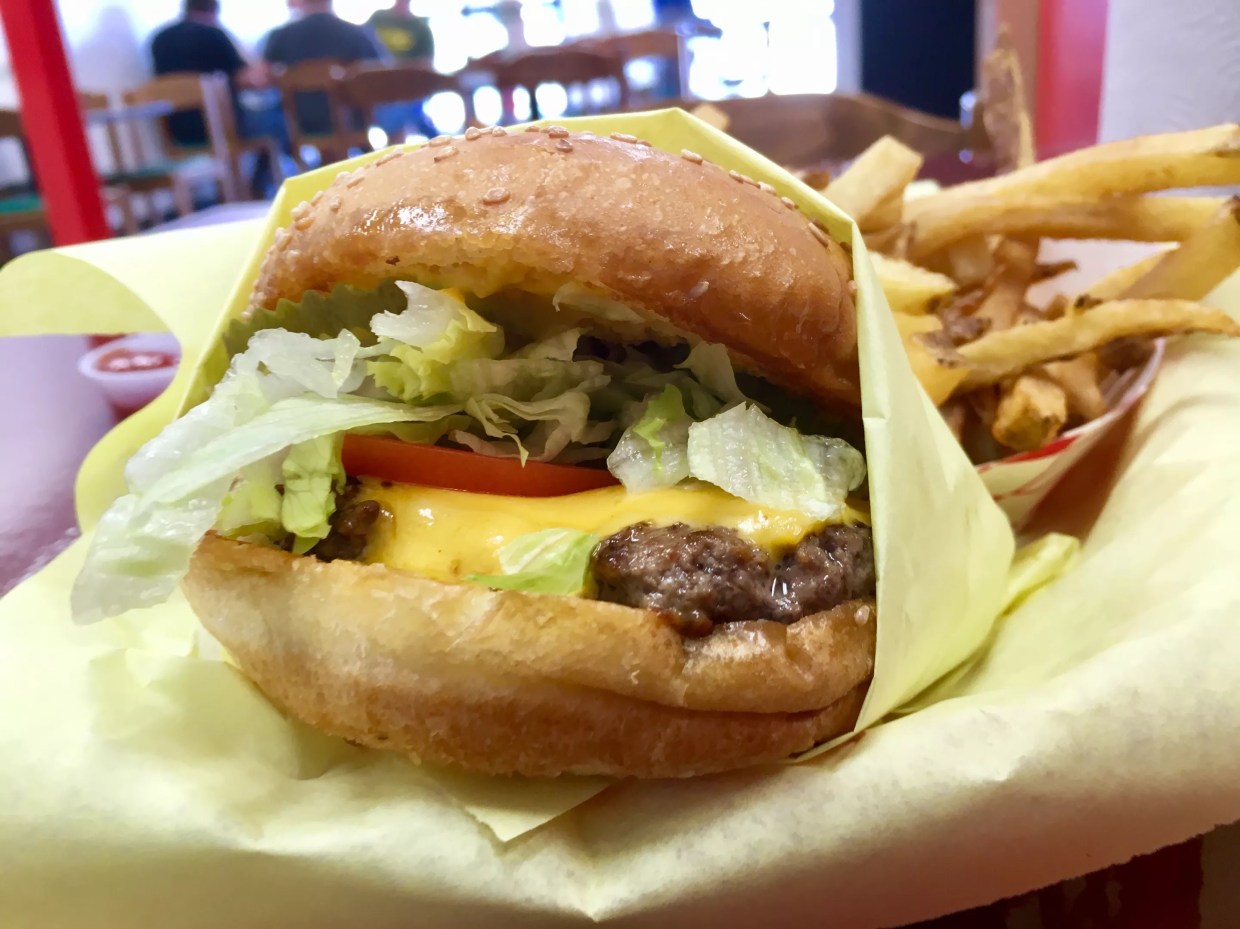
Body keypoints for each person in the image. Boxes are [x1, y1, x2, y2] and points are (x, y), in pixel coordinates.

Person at [262, 0, 385, 137]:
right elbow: (380, 76)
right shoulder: (357, 33)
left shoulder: (280, 36)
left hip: (300, 124)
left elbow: (260, 78)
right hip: (354, 121)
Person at [149, 0, 248, 147]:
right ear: (214, 10)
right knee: (275, 120)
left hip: (176, 132)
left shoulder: (158, 38)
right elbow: (246, 79)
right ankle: (268, 168)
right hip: (219, 125)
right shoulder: (213, 34)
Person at [366, 1, 435, 63]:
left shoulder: (422, 29)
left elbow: (426, 63)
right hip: (376, 73)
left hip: (406, 75)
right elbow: (363, 43)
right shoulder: (378, 18)